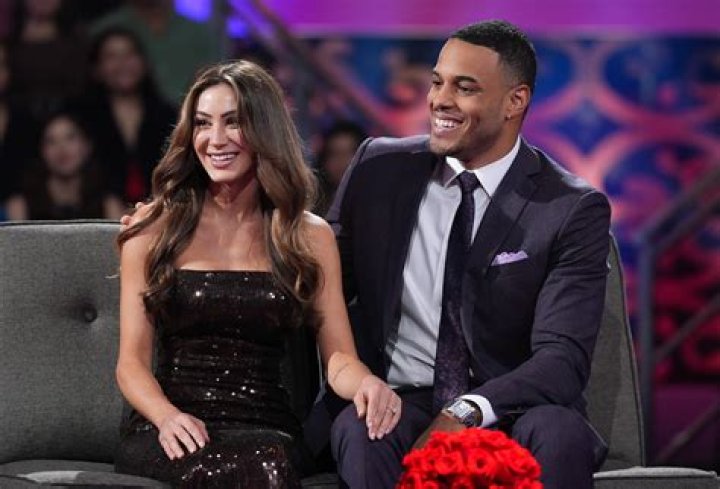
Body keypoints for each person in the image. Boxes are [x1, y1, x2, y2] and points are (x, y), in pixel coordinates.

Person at [314, 20, 612, 489]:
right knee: (362, 428)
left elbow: (562, 359)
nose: (439, 100)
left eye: (464, 87)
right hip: (401, 398)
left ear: (515, 101)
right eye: (437, 82)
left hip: (512, 408)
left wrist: (467, 409)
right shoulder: (379, 169)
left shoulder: (568, 207)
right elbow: (316, 286)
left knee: (559, 432)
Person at [114, 60, 401, 488]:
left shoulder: (307, 235)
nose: (215, 140)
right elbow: (131, 364)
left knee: (267, 464)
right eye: (202, 124)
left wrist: (368, 384)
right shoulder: (154, 229)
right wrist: (167, 416)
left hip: (268, 429)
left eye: (233, 123)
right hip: (169, 428)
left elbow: (339, 358)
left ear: (265, 130)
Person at [73, 27, 176, 203]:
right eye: (111, 56)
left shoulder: (168, 115)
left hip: (161, 208)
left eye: (130, 54)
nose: (123, 64)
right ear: (96, 69)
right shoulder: (80, 118)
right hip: (94, 210)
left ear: (144, 63)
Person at [4, 109, 124, 220]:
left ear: (87, 146)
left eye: (70, 138)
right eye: (51, 141)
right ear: (41, 151)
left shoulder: (109, 204)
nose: (62, 149)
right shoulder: (19, 205)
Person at [314, 120, 367, 216]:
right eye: (335, 154)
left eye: (349, 153)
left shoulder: (378, 205)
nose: (342, 161)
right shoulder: (313, 208)